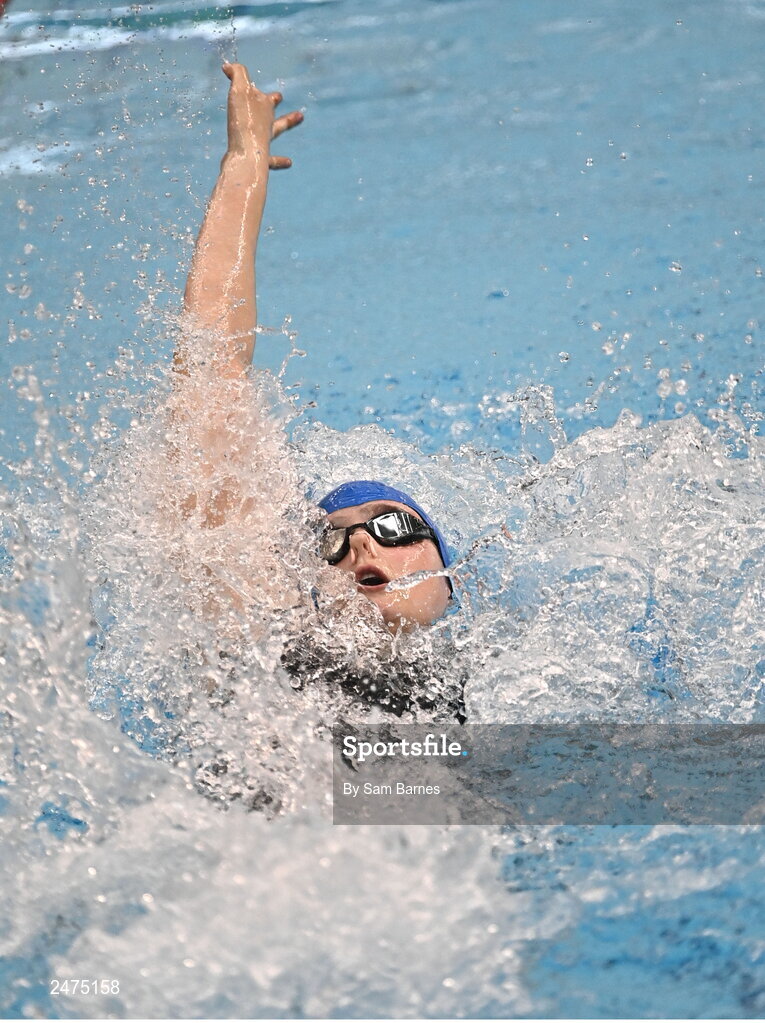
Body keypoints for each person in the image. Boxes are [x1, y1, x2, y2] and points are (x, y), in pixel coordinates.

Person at [172, 63, 454, 640]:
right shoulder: (270, 658)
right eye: (326, 541)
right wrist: (243, 164)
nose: (357, 543)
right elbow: (212, 366)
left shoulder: (537, 672)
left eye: (396, 526)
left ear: (451, 578)